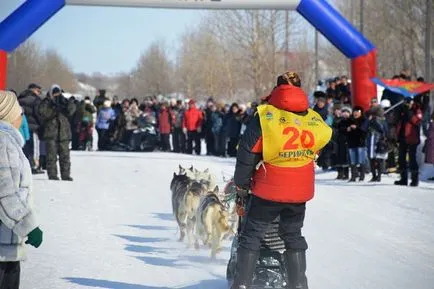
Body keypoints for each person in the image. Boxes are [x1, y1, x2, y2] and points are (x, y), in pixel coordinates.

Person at [231, 72, 332, 289]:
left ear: (277, 89)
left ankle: (242, 285)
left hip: (269, 188)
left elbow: (247, 152)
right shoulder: (312, 117)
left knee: (251, 235)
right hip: (299, 190)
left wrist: (241, 184)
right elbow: (324, 138)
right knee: (293, 234)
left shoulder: (266, 115)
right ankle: (298, 284)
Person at [0, 90, 43, 289]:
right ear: (7, 114)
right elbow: (5, 192)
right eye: (19, 113)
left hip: (7, 240)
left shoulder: (8, 141)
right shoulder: (3, 143)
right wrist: (29, 226)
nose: (21, 117)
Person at [38, 85, 76, 181]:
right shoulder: (46, 102)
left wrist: (69, 102)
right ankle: (52, 175)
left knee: (65, 156)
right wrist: (52, 107)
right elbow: (42, 113)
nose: (57, 95)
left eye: (58, 93)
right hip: (51, 133)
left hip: (63, 133)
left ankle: (65, 175)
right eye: (55, 93)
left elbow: (71, 111)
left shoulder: (63, 101)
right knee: (51, 156)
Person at [395, 97, 423, 186]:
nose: (407, 105)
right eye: (405, 103)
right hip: (403, 137)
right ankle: (403, 179)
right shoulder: (403, 109)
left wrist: (409, 113)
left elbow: (417, 121)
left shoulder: (416, 110)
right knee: (401, 158)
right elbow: (398, 122)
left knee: (412, 159)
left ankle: (415, 180)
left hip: (412, 138)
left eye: (408, 103)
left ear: (412, 102)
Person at [18, 83, 43, 174]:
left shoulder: (20, 98)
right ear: (34, 90)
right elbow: (38, 114)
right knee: (34, 148)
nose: (39, 93)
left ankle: (23, 165)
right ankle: (33, 166)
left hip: (20, 127)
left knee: (23, 147)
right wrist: (42, 125)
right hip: (33, 128)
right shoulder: (36, 100)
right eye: (38, 91)